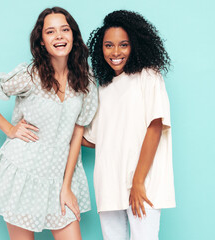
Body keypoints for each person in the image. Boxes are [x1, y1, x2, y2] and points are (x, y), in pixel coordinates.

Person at [0, 7, 97, 240]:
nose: (59, 36)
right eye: (50, 32)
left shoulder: (86, 81)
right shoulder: (29, 75)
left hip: (60, 176)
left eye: (64, 29)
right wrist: (9, 129)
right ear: (42, 42)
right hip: (22, 172)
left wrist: (66, 186)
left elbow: (77, 135)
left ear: (73, 37)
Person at [83, 10, 176, 240]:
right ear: (100, 48)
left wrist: (137, 182)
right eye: (108, 45)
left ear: (134, 44)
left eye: (123, 45)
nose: (115, 52)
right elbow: (97, 140)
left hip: (142, 185)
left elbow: (155, 127)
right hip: (108, 185)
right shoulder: (104, 87)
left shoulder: (148, 76)